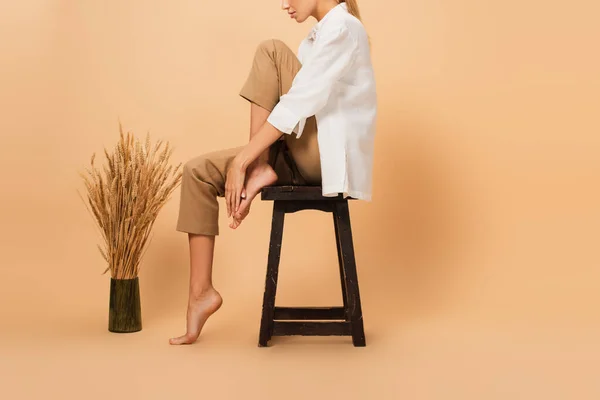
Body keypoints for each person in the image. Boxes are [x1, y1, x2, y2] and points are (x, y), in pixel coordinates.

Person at [169, 0, 377, 345]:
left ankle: (259, 165)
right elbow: (293, 110)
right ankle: (200, 293)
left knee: (270, 51)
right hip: (297, 152)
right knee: (197, 172)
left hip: (324, 158)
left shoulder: (343, 28)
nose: (284, 4)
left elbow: (299, 102)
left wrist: (243, 161)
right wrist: (249, 159)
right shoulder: (318, 35)